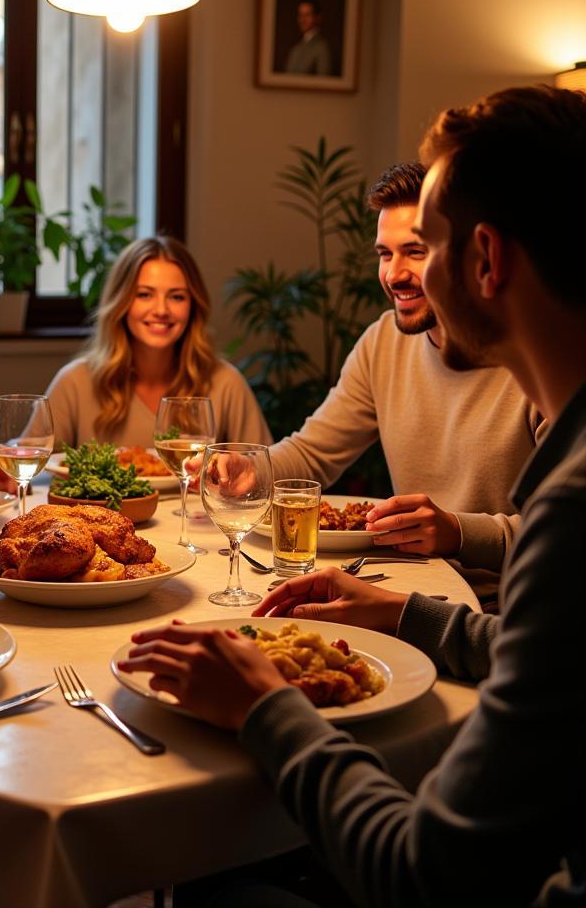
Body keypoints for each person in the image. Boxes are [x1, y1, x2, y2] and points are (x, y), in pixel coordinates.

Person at [119, 85, 586, 906]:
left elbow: (428, 877)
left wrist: (265, 706)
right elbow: (544, 654)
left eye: (426, 246)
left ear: (486, 260)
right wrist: (401, 613)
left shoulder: (573, 506)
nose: (404, 276)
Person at [266, 161, 542, 601]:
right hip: (409, 590)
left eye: (415, 251)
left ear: (472, 251)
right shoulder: (383, 341)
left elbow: (565, 531)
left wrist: (457, 531)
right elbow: (312, 453)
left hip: (501, 612)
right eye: (384, 254)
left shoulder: (536, 359)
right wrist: (247, 470)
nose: (393, 274)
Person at [45, 236, 271, 449]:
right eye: (144, 295)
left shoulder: (226, 383)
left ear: (194, 306)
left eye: (177, 297)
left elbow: (262, 472)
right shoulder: (75, 382)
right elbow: (26, 466)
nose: (161, 310)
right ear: (120, 303)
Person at [283, 0, 333, 76]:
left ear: (318, 17)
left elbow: (323, 79)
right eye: (300, 15)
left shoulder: (322, 47)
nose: (303, 19)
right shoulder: (296, 47)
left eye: (307, 15)